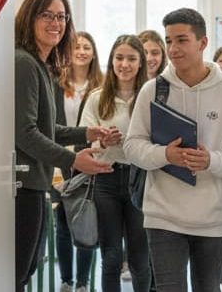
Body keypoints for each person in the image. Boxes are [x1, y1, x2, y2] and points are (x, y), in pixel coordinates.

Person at [123, 8, 222, 292]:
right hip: (163, 216)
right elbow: (132, 146)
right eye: (169, 41)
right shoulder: (152, 90)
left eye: (181, 40)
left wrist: (211, 161)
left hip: (213, 218)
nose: (173, 49)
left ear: (203, 43)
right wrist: (164, 155)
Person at [13, 0, 115, 290]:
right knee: (18, 272)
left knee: (26, 269)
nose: (55, 23)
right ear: (30, 18)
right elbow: (25, 132)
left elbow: (46, 127)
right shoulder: (24, 63)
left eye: (61, 16)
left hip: (36, 183)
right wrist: (73, 159)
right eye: (46, 15)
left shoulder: (39, 65)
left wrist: (85, 133)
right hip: (24, 185)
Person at [79, 35, 151, 292]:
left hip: (140, 179)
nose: (125, 64)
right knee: (110, 257)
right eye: (119, 58)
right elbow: (83, 141)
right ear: (111, 61)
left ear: (141, 63)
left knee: (140, 258)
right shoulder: (98, 97)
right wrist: (101, 142)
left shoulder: (149, 96)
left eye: (131, 58)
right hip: (105, 178)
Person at [55, 31, 104, 292]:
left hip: (88, 158)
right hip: (59, 158)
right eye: (76, 46)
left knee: (85, 218)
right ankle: (66, 280)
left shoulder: (101, 85)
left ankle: (83, 282)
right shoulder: (55, 83)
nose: (81, 51)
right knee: (62, 220)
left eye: (87, 46)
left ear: (94, 53)